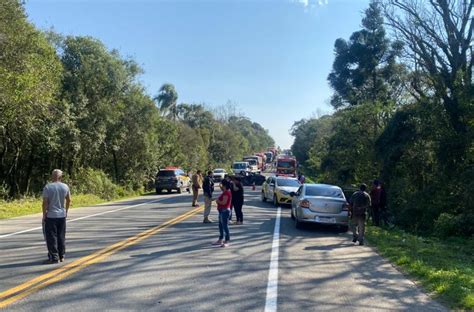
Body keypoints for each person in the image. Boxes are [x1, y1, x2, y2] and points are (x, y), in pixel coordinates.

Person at [42, 169, 71, 264]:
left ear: (52, 176)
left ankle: (54, 257)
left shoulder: (48, 187)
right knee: (61, 235)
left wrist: (44, 214)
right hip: (61, 215)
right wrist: (66, 211)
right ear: (61, 177)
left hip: (51, 215)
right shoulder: (65, 186)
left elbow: (45, 203)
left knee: (51, 236)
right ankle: (62, 255)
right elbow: (69, 200)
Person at [212, 180, 232, 247]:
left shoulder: (226, 193)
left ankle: (227, 240)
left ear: (225, 186)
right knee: (220, 226)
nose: (221, 186)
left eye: (222, 185)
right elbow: (221, 188)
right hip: (221, 211)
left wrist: (217, 201)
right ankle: (220, 239)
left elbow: (224, 202)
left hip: (225, 211)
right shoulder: (225, 192)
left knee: (225, 226)